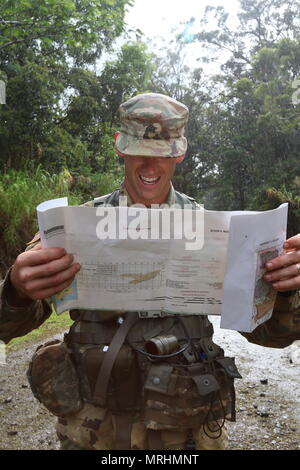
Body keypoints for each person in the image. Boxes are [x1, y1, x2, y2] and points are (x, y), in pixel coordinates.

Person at [0, 93, 300, 451]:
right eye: (139, 150)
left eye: (163, 154)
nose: (150, 166)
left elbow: (271, 336)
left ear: (181, 152)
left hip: (186, 430)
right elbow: (7, 328)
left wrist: (282, 291)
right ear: (119, 147)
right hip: (96, 433)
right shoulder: (72, 227)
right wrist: (16, 290)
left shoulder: (218, 231)